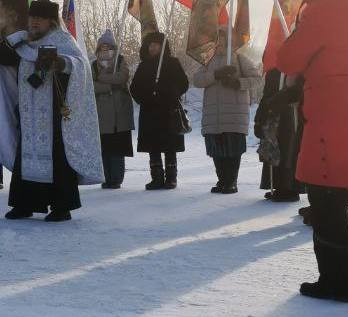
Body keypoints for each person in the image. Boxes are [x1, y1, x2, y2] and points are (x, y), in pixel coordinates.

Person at [276, 0, 348, 303]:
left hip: (334, 125)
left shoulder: (324, 10)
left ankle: (339, 281)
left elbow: (288, 61)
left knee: (327, 202)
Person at [0, 0, 103, 222]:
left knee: (57, 159)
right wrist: (18, 37)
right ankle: (24, 205)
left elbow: (81, 66)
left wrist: (61, 63)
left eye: (40, 18)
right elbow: (1, 56)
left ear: (51, 21)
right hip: (29, 115)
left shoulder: (63, 41)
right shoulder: (25, 43)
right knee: (26, 158)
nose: (35, 22)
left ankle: (61, 207)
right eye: (32, 17)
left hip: (55, 115)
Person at [191, 32, 258, 194]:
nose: (219, 42)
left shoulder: (240, 59)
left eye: (222, 39)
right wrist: (215, 75)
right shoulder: (209, 60)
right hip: (213, 114)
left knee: (233, 149)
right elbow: (197, 80)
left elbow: (256, 78)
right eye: (217, 39)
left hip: (234, 114)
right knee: (217, 149)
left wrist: (237, 83)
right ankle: (222, 180)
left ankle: (231, 182)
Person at [130, 32, 189, 190]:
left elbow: (184, 83)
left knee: (170, 146)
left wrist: (169, 91)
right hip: (150, 111)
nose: (152, 47)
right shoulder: (144, 66)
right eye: (150, 45)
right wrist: (146, 96)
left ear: (163, 47)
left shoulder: (172, 63)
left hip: (169, 111)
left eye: (156, 44)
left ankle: (171, 178)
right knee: (153, 146)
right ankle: (156, 177)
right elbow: (134, 88)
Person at [91, 29, 133, 189]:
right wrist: (108, 86)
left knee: (117, 149)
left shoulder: (120, 61)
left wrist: (102, 78)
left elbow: (122, 77)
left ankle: (116, 179)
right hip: (101, 115)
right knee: (104, 149)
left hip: (118, 115)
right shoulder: (93, 65)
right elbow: (91, 86)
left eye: (108, 46)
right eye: (102, 46)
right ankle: (106, 178)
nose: (105, 49)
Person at [255, 68, 303, 202]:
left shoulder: (299, 71)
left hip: (292, 116)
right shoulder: (274, 72)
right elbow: (266, 96)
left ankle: (290, 188)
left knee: (289, 150)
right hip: (274, 117)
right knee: (274, 150)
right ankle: (276, 185)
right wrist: (259, 119)